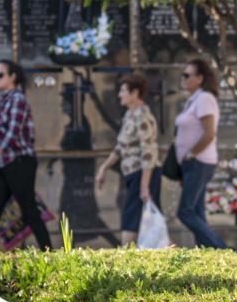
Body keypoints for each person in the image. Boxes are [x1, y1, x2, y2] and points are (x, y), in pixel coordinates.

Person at [0, 60, 50, 251]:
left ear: (12, 77)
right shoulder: (5, 100)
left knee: (29, 210)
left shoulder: (17, 99)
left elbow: (11, 135)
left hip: (19, 163)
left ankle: (52, 254)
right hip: (4, 164)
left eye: (0, 75)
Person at [94, 74, 161, 247]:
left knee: (133, 218)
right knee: (138, 219)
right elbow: (120, 147)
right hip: (133, 174)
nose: (119, 95)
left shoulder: (141, 116)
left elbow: (149, 152)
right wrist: (103, 168)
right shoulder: (130, 115)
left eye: (123, 91)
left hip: (143, 175)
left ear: (135, 93)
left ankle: (126, 259)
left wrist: (144, 187)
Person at [174, 59, 229, 249]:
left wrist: (191, 154)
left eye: (187, 75)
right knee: (197, 213)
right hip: (192, 164)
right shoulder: (194, 99)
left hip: (199, 162)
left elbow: (209, 133)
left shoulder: (205, 98)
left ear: (199, 78)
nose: (183, 79)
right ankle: (209, 257)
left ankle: (223, 250)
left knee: (185, 212)